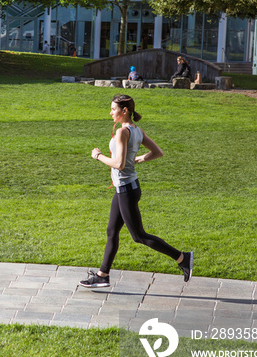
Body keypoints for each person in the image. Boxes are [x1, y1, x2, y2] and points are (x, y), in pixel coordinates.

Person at [80, 94, 193, 288]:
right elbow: (158, 152)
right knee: (112, 231)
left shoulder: (123, 132)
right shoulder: (137, 130)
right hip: (126, 188)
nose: (110, 112)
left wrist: (98, 156)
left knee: (138, 235)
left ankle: (182, 258)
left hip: (126, 190)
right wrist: (139, 159)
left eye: (113, 109)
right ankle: (102, 275)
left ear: (124, 111)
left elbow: (119, 164)